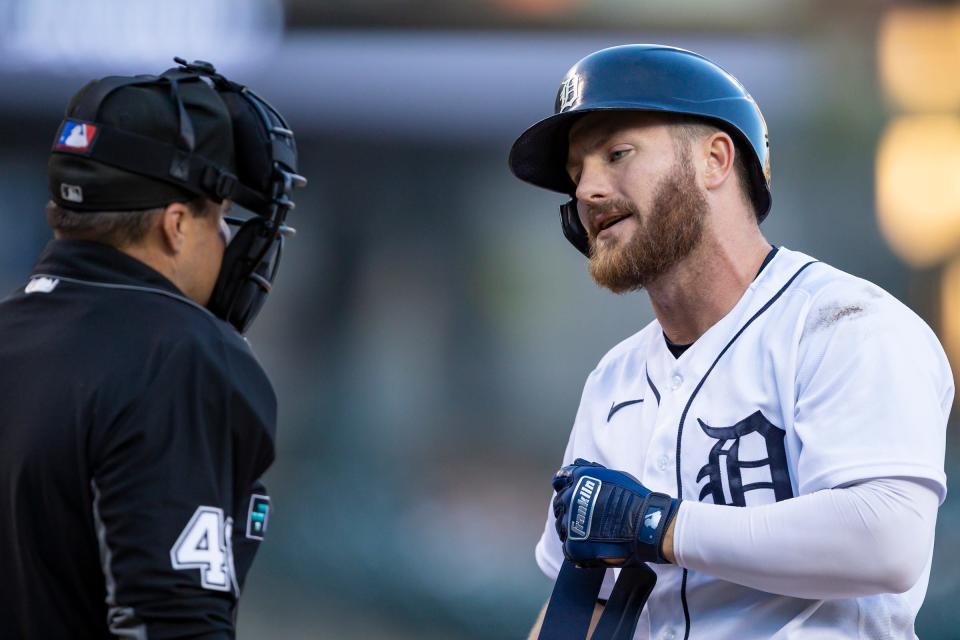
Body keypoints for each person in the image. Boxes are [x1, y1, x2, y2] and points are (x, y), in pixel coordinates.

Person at [509, 44, 952, 640]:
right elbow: (585, 602)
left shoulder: (845, 323)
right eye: (576, 174)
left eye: (617, 154)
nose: (588, 190)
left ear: (715, 159)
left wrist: (659, 525)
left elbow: (886, 539)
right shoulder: (612, 381)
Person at [0, 59, 305, 637]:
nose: (225, 237)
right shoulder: (180, 356)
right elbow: (171, 623)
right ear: (175, 225)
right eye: (218, 216)